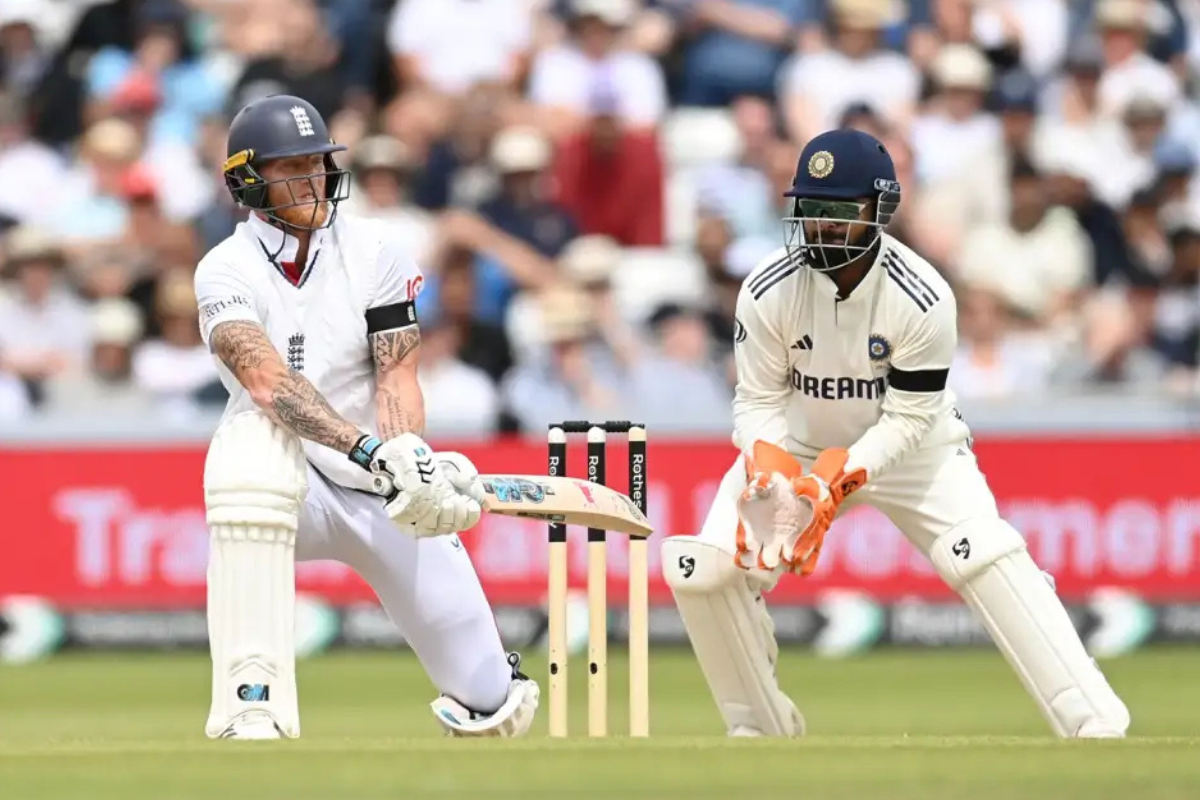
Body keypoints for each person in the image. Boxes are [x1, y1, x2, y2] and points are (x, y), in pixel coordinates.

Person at [659, 128, 1130, 739]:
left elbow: (910, 416)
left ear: (878, 210)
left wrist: (839, 479)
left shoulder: (924, 296)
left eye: (837, 212)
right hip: (797, 444)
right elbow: (755, 401)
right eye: (809, 210)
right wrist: (773, 469)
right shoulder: (767, 288)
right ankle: (759, 729)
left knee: (984, 553)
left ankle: (1093, 721)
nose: (820, 227)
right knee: (706, 566)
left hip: (915, 451)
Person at [193, 94, 539, 740]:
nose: (312, 179)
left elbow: (398, 373)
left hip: (372, 481)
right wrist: (366, 449)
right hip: (286, 474)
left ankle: (483, 691)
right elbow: (268, 383)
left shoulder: (377, 250)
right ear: (247, 180)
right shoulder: (224, 270)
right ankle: (252, 701)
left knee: (497, 705)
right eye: (289, 166)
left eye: (317, 163)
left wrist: (408, 456)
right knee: (245, 462)